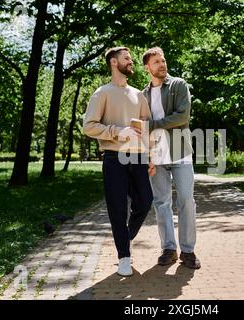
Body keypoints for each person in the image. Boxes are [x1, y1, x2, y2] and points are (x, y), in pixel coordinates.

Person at [83, 47, 155, 276]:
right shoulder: (102, 93)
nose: (131, 61)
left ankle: (124, 236)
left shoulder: (138, 95)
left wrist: (151, 155)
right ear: (114, 63)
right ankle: (124, 255)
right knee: (117, 208)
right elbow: (89, 126)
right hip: (114, 158)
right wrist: (117, 131)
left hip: (138, 157)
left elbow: (147, 127)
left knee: (145, 201)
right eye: (127, 58)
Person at [142, 47, 201, 269]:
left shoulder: (178, 85)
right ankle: (169, 248)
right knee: (161, 202)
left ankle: (188, 251)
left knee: (186, 200)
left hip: (180, 152)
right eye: (156, 62)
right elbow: (140, 126)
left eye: (163, 60)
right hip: (156, 154)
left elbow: (182, 116)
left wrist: (153, 126)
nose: (162, 64)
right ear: (147, 67)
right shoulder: (143, 94)